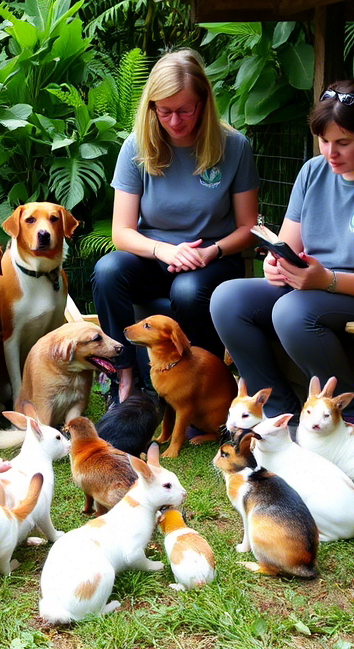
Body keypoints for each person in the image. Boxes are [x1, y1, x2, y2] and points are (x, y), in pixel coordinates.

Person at [210, 78, 354, 426]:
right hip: (316, 287)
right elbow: (286, 246)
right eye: (324, 140)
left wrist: (326, 280)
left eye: (343, 142)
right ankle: (279, 412)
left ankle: (353, 413)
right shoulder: (313, 172)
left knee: (292, 311)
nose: (331, 153)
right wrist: (275, 265)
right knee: (227, 298)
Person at [91, 49, 260, 407]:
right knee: (107, 272)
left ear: (204, 103)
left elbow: (248, 228)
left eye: (185, 110)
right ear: (151, 107)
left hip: (213, 258)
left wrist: (208, 252)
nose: (175, 121)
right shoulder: (136, 146)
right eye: (164, 111)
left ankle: (199, 383)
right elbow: (121, 232)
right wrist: (162, 249)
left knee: (187, 291)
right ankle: (123, 381)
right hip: (154, 255)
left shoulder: (234, 146)